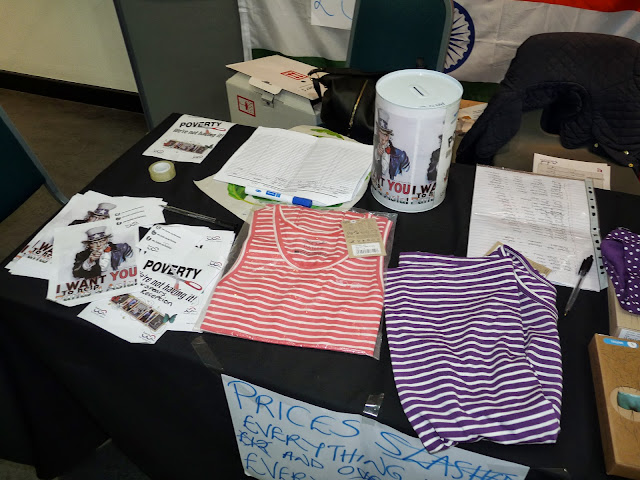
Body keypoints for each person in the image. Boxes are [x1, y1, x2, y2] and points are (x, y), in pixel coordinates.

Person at [373, 109, 410, 181]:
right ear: (378, 133)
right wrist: (378, 156)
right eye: (381, 133)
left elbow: (407, 176)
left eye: (386, 135)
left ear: (389, 136)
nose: (383, 139)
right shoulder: (375, 151)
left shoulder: (401, 155)